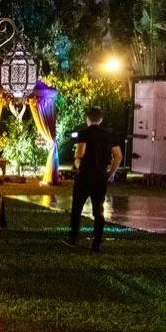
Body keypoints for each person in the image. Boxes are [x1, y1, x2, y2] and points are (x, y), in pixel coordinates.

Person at [66, 107, 122, 252]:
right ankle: (96, 243)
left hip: (85, 175)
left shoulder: (84, 134)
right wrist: (110, 173)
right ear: (101, 119)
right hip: (100, 177)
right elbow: (118, 156)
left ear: (87, 119)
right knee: (99, 210)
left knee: (77, 208)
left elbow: (80, 153)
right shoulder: (110, 135)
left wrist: (77, 163)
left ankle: (73, 238)